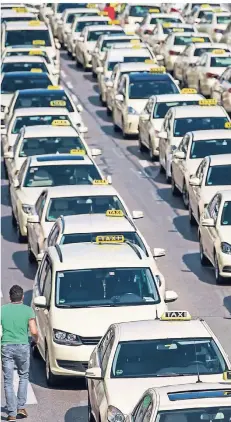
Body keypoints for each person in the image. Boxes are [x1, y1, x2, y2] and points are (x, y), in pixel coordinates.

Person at [1, 285, 38, 421]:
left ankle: (11, 413)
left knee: (8, 381)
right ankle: (21, 407)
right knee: (23, 376)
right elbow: (34, 331)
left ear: (10, 297)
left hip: (6, 347)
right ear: (22, 297)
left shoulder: (2, 310)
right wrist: (37, 340)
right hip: (22, 346)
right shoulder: (28, 310)